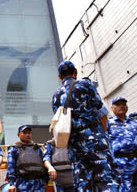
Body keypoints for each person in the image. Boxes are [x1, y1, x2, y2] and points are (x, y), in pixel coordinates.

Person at [52, 61, 120, 191]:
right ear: (75, 72)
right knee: (107, 178)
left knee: (83, 181)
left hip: (74, 144)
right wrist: (102, 136)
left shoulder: (56, 96)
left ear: (59, 76)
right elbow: (102, 113)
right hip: (93, 138)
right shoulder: (85, 84)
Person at [107, 96, 137, 192]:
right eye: (118, 104)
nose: (121, 106)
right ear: (112, 108)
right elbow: (105, 145)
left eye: (123, 104)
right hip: (121, 163)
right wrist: (112, 165)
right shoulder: (108, 123)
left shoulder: (134, 121)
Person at [7, 125, 46, 192]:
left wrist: (45, 181)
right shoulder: (14, 149)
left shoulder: (37, 148)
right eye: (24, 133)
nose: (27, 135)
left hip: (38, 183)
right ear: (18, 134)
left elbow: (43, 165)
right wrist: (11, 184)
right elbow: (11, 166)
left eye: (29, 133)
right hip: (23, 183)